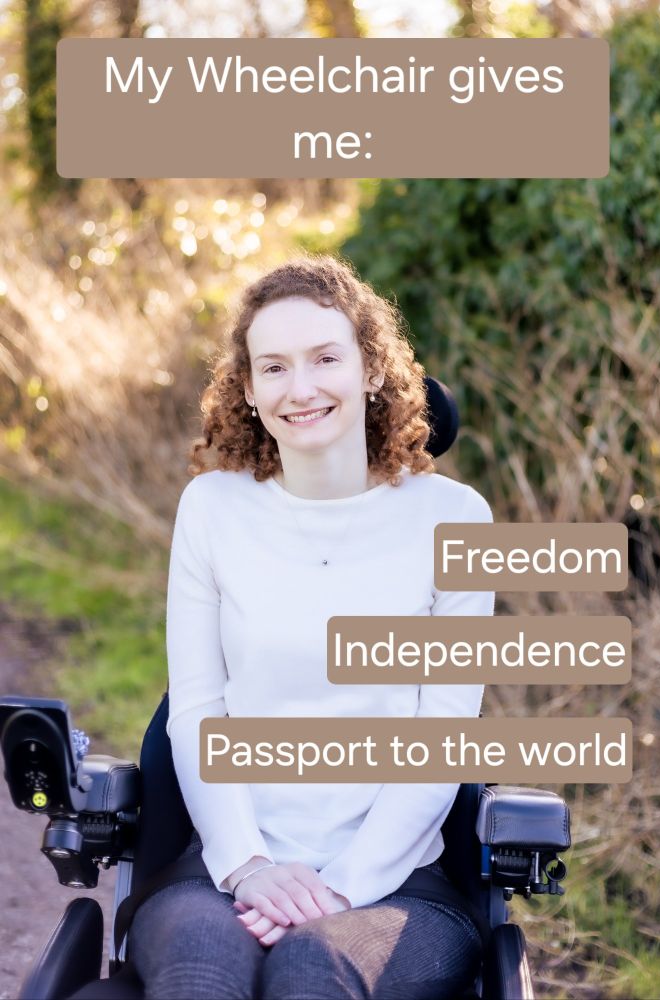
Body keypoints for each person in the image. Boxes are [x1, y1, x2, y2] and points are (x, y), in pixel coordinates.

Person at [127, 254, 494, 999]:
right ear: (250, 391)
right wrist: (250, 869)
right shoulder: (213, 510)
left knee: (309, 970)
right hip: (226, 868)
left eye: (325, 358)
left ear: (370, 369)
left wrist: (339, 892)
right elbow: (198, 712)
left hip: (398, 886)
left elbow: (442, 736)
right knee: (203, 971)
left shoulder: (456, 522)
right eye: (274, 368)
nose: (301, 389)